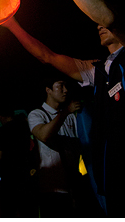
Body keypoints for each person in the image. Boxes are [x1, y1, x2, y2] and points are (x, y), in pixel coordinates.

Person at [2, 0, 124, 216]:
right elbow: (46, 56)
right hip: (103, 170)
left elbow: (107, 17)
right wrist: (11, 24)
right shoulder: (99, 69)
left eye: (103, 22)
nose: (98, 26)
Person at [28, 75, 83, 217]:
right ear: (48, 90)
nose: (65, 91)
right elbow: (43, 135)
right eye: (60, 86)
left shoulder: (71, 116)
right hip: (50, 190)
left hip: (72, 187)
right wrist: (66, 112)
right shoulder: (36, 114)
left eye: (66, 87)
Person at [0, 108, 32, 217]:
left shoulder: (2, 131)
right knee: (26, 208)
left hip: (9, 176)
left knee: (9, 209)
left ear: (1, 117)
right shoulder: (25, 128)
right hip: (25, 174)